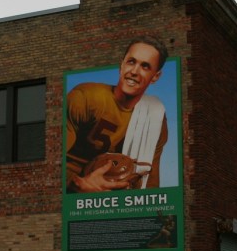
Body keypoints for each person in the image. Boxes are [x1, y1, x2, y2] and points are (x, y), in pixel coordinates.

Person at [65, 36, 169, 193]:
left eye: (145, 66)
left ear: (155, 76)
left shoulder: (154, 117)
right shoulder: (86, 97)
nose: (134, 71)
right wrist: (78, 183)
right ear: (121, 65)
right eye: (131, 62)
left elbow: (150, 180)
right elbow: (53, 163)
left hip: (116, 201)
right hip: (71, 195)